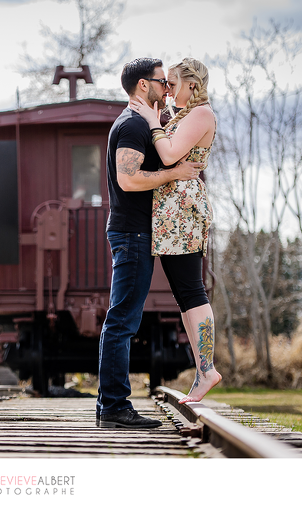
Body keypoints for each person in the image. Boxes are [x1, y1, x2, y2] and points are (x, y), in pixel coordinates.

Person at [97, 58, 205, 428]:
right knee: (122, 321)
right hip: (132, 233)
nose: (168, 88)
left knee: (123, 319)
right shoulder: (131, 126)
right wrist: (174, 172)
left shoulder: (144, 124)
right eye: (162, 81)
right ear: (144, 86)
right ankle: (113, 408)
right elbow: (128, 180)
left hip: (139, 233)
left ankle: (110, 406)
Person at [130, 57, 222, 403]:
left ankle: (207, 368)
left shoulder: (201, 114)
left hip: (182, 209)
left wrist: (153, 121)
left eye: (172, 83)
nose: (166, 89)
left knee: (192, 291)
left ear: (191, 86)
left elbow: (169, 155)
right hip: (171, 210)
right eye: (164, 83)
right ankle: (203, 370)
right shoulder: (184, 115)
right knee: (184, 295)